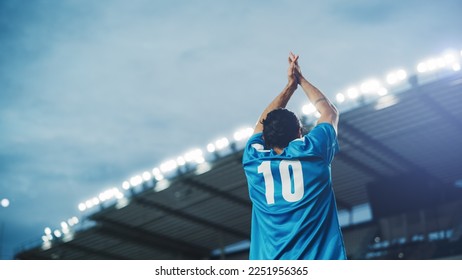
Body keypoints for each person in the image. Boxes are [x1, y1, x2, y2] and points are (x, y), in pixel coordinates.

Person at [242, 52, 347, 260]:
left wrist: (288, 87)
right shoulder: (313, 151)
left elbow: (260, 124)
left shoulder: (253, 160)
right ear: (300, 133)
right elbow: (329, 112)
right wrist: (300, 80)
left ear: (266, 137)